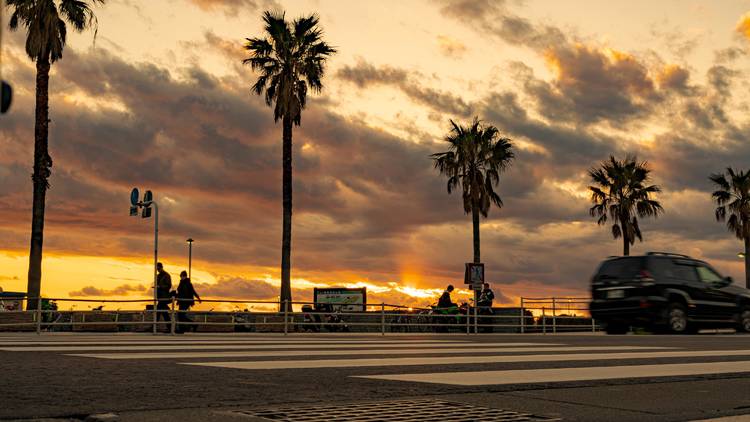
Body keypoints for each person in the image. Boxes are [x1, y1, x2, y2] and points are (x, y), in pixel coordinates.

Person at [155, 262, 172, 329]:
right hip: (160, 297)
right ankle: (170, 327)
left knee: (159, 311)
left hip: (164, 297)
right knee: (163, 312)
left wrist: (160, 286)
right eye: (157, 269)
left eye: (158, 268)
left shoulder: (166, 275)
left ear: (161, 267)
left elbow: (169, 286)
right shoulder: (158, 276)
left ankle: (154, 326)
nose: (157, 270)